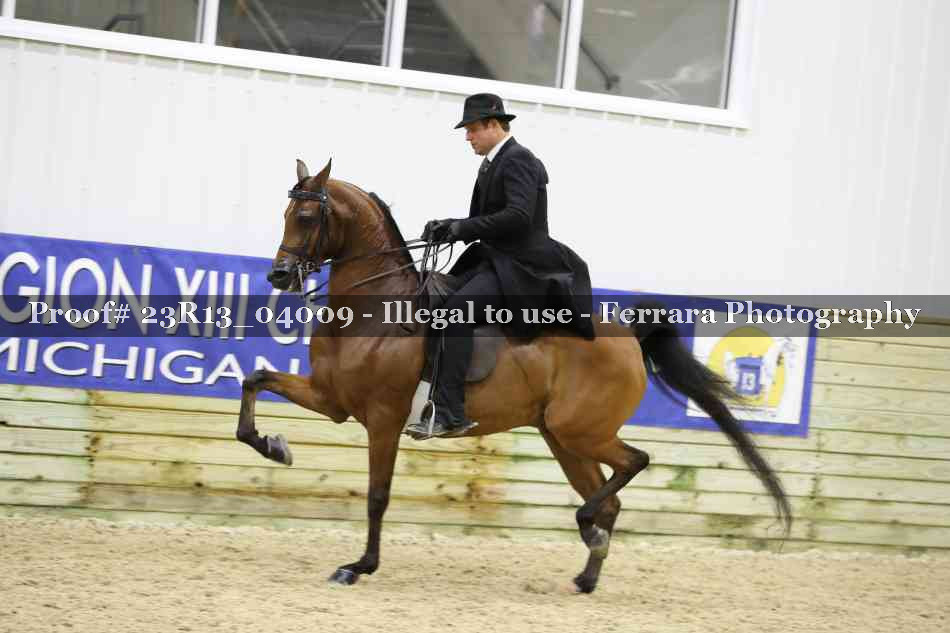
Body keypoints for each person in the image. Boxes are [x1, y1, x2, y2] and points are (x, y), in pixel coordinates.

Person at [407, 93, 595, 440]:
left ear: (493, 125)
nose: (468, 137)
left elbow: (518, 217)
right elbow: (486, 220)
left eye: (472, 129)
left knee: (454, 315)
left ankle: (450, 414)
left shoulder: (518, 159)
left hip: (521, 267)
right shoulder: (492, 163)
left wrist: (462, 228)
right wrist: (448, 226)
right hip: (495, 261)